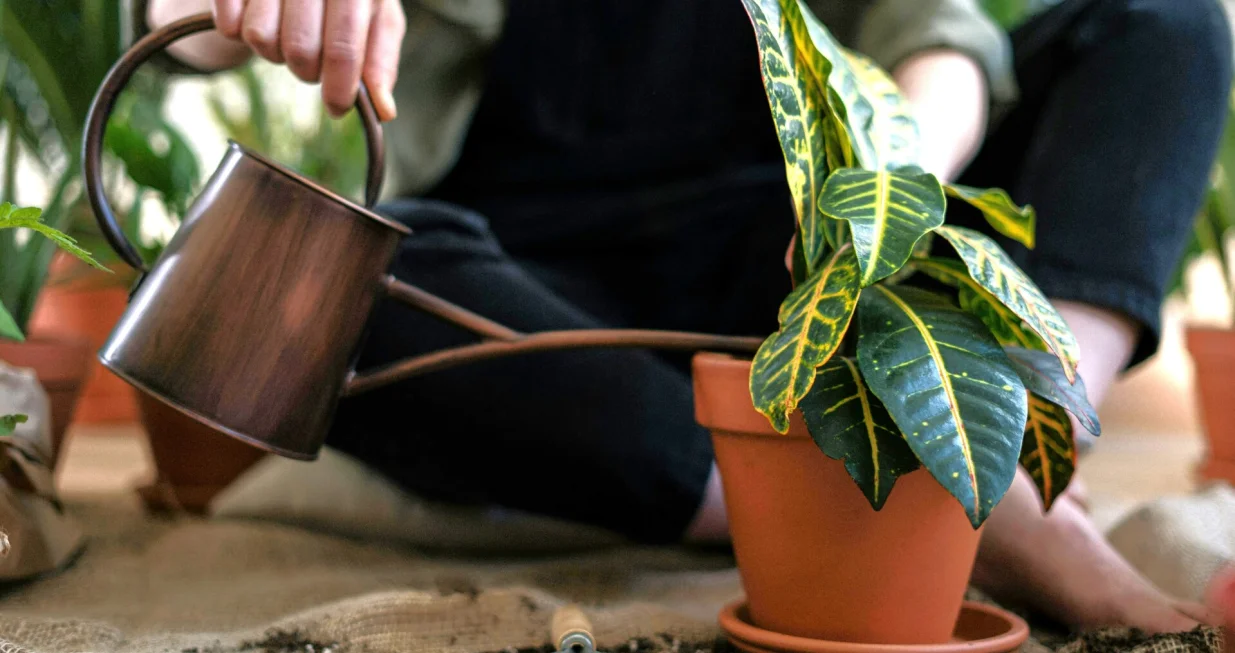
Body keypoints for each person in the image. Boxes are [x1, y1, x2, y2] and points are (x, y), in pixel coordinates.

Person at [142, 0, 1232, 634]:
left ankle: (1034, 445)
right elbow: (174, 26)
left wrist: (878, 199)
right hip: (533, 272)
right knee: (341, 292)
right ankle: (858, 495)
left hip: (808, 256)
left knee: (1163, 21)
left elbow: (938, 42)